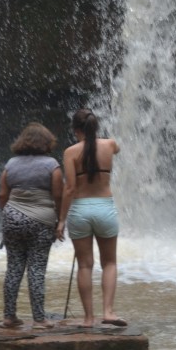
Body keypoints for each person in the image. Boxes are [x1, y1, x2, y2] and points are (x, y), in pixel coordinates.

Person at [57, 108, 126, 327]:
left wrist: (61, 221)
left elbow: (69, 189)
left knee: (85, 265)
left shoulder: (70, 152)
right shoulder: (109, 145)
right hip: (105, 208)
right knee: (110, 262)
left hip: (80, 210)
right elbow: (118, 148)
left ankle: (88, 318)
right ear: (95, 127)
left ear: (75, 129)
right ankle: (108, 312)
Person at [0, 123, 64, 328]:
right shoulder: (52, 165)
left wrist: (9, 215)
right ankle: (39, 319)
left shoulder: (10, 164)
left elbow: (2, 195)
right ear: (46, 142)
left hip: (12, 218)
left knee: (14, 268)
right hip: (41, 221)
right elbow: (58, 195)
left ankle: (9, 317)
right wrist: (60, 219)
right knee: (36, 269)